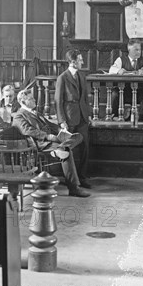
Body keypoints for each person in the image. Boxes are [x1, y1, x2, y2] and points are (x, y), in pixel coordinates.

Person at [13, 89, 90, 198]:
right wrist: (48, 136)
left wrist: (61, 130)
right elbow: (28, 131)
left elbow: (50, 124)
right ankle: (74, 188)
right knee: (66, 153)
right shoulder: (19, 115)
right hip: (41, 144)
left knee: (78, 136)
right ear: (23, 102)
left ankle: (62, 148)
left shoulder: (35, 112)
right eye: (31, 99)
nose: (35, 100)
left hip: (52, 140)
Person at [55, 49, 91, 187]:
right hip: (69, 118)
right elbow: (58, 101)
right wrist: (62, 121)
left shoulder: (82, 76)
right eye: (80, 59)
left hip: (82, 117)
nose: (82, 62)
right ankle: (70, 180)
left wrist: (88, 116)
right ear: (73, 61)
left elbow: (85, 99)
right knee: (67, 149)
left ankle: (82, 177)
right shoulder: (62, 78)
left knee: (85, 147)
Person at [109, 39, 143, 120]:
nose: (139, 52)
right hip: (124, 92)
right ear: (129, 50)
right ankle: (114, 116)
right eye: (136, 50)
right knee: (115, 93)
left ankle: (142, 118)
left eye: (140, 49)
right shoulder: (121, 59)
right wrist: (118, 71)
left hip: (139, 92)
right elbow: (111, 70)